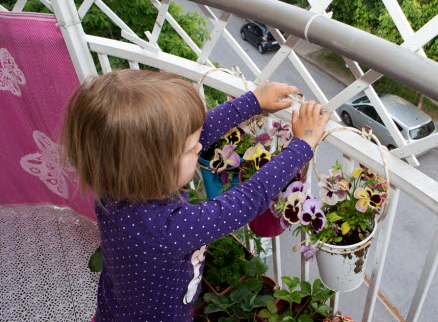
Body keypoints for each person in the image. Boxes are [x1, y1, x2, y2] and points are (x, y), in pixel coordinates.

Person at [61, 69, 330, 322]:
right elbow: (250, 198)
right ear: (155, 166)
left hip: (117, 307)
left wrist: (254, 101)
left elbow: (194, 133)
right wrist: (302, 145)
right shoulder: (170, 229)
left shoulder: (114, 185)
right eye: (192, 149)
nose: (201, 144)